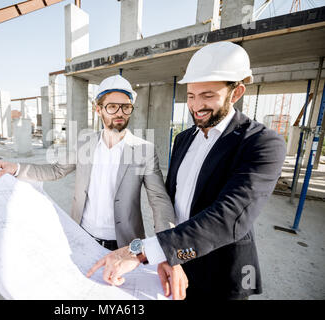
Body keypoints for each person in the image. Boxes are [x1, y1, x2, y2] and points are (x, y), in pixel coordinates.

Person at [86, 41, 286, 300]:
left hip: (219, 274)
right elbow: (168, 202)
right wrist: (170, 257)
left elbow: (228, 219)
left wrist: (142, 250)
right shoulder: (183, 139)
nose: (196, 106)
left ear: (235, 92)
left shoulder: (261, 143)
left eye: (208, 95)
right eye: (191, 95)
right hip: (175, 261)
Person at [0, 75, 188, 296]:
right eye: (112, 107)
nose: (120, 113)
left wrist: (169, 251)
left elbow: (159, 201)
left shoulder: (144, 150)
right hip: (81, 238)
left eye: (126, 107)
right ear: (98, 109)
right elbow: (56, 170)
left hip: (125, 246)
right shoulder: (83, 143)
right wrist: (17, 168)